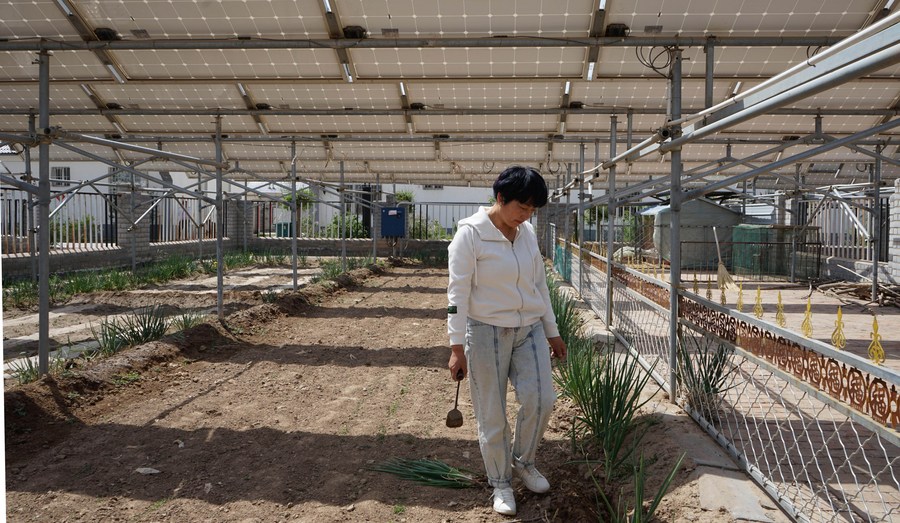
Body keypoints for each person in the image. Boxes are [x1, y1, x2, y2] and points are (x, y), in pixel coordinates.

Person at [446, 165, 567, 516]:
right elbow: (457, 293)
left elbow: (539, 285)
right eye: (522, 208)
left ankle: (524, 462)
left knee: (542, 398)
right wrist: (456, 347)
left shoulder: (526, 233)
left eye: (532, 210)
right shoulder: (470, 235)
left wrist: (552, 330)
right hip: (486, 332)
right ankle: (500, 483)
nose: (527, 216)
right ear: (500, 198)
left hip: (528, 327)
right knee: (492, 413)